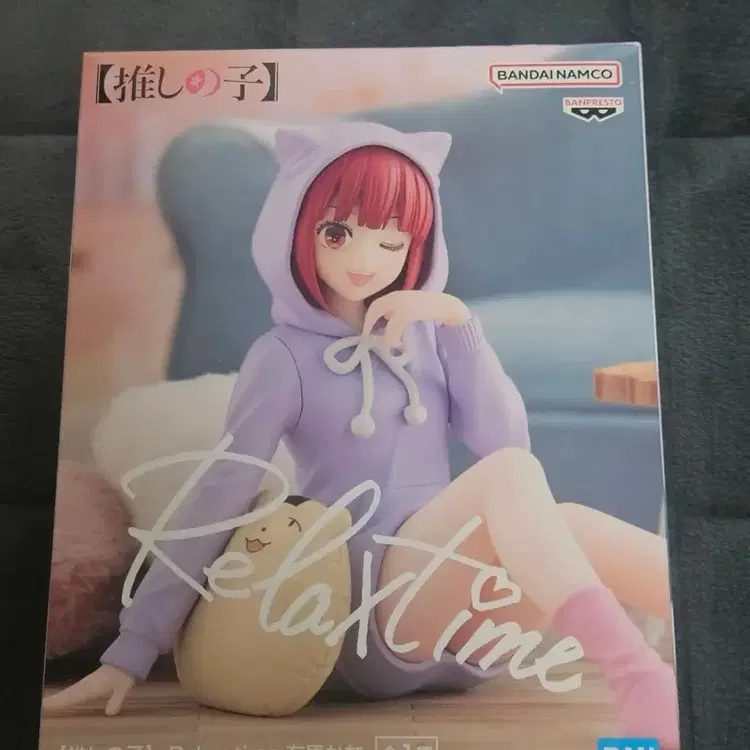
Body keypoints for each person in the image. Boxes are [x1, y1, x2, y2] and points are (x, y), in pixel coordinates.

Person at [43, 122, 678, 748]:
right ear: (297, 231)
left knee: (565, 519)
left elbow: (504, 441)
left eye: (391, 239)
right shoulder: (282, 357)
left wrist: (458, 325)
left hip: (461, 627)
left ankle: (707, 643)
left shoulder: (431, 334)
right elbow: (221, 494)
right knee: (511, 478)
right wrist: (133, 649)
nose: (365, 260)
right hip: (369, 606)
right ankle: (637, 677)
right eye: (338, 233)